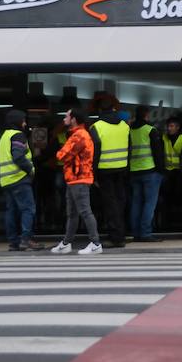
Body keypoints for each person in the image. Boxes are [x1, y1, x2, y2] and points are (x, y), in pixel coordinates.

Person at [51, 108, 102, 255]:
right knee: (73, 213)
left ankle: (95, 243)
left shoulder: (78, 136)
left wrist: (60, 152)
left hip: (79, 178)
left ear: (73, 119)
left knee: (84, 211)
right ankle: (67, 242)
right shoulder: (79, 134)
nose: (64, 119)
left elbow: (62, 155)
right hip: (75, 179)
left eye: (66, 116)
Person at [0, 109, 39, 251]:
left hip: (6, 180)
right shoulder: (18, 135)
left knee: (11, 211)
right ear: (18, 121)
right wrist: (30, 170)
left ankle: (13, 242)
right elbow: (18, 156)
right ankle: (25, 240)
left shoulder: (4, 136)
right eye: (23, 120)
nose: (25, 123)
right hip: (19, 178)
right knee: (28, 209)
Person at [89, 107, 130, 247]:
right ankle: (120, 233)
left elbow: (95, 151)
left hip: (104, 170)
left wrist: (92, 174)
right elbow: (129, 147)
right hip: (121, 169)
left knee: (110, 204)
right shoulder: (125, 125)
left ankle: (116, 237)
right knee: (119, 202)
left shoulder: (96, 126)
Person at [127, 106, 166, 243]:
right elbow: (158, 153)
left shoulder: (130, 131)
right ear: (146, 115)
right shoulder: (150, 130)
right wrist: (161, 171)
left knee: (136, 202)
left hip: (134, 171)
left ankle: (136, 232)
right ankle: (145, 233)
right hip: (150, 170)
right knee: (150, 203)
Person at [157, 117, 182, 233]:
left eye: (172, 126)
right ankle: (166, 223)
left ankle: (181, 222)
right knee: (166, 199)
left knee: (180, 198)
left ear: (177, 127)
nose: (169, 129)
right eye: (168, 126)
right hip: (168, 172)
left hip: (180, 172)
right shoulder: (164, 138)